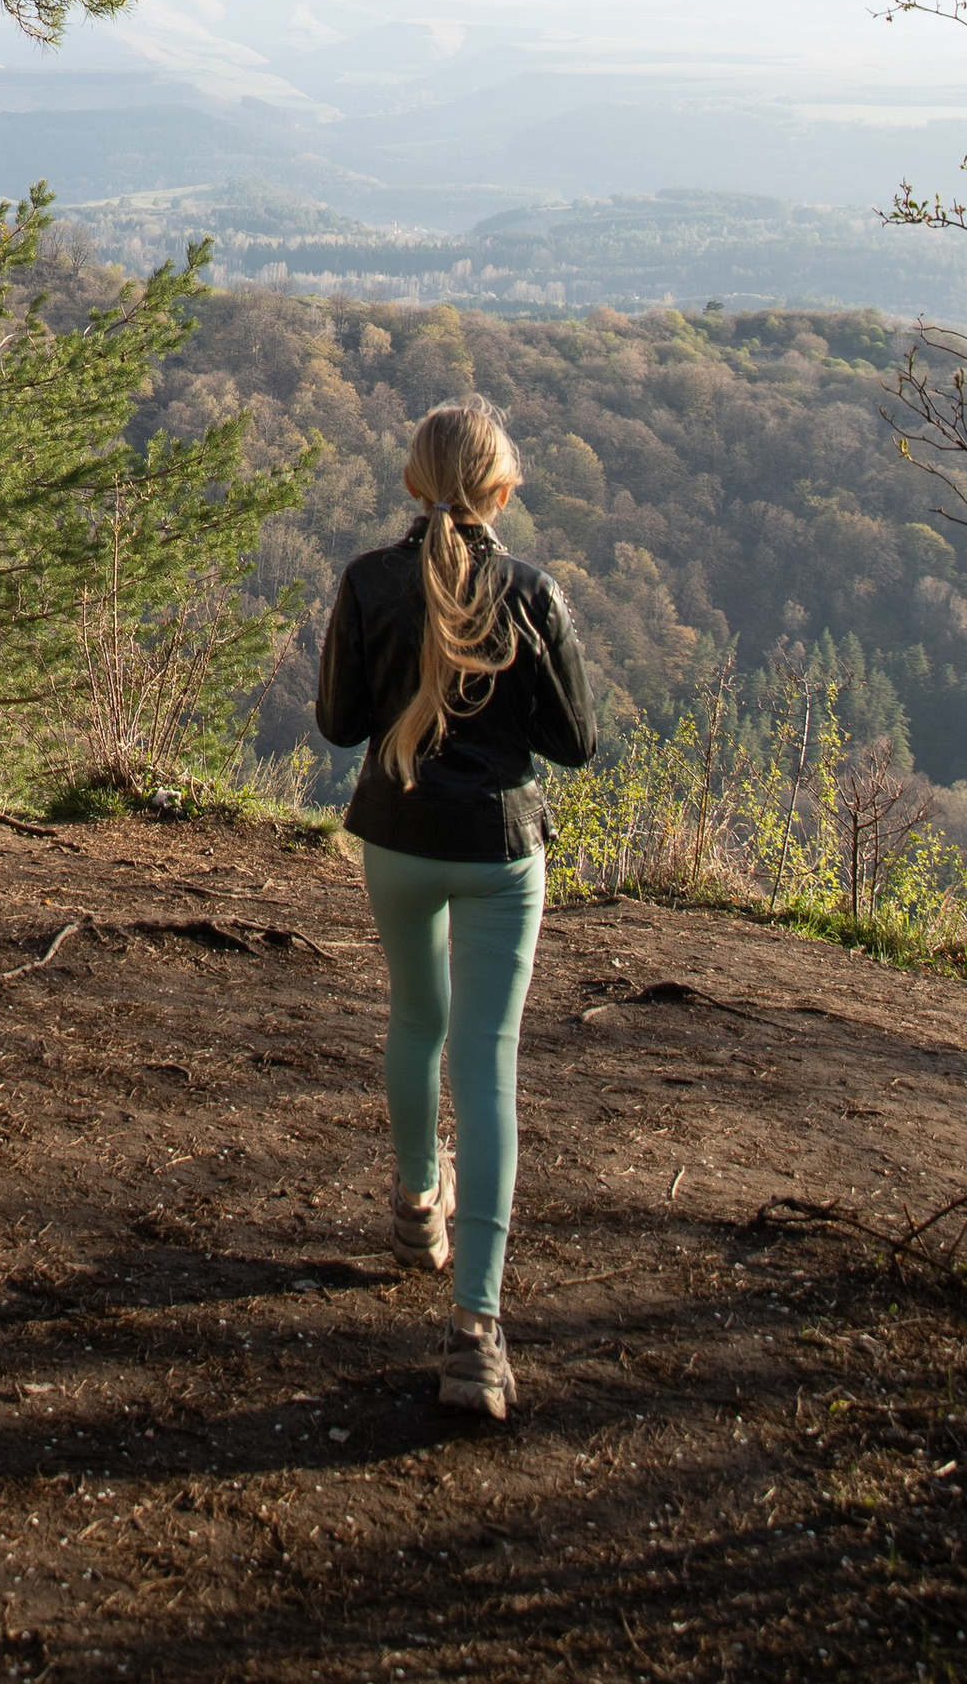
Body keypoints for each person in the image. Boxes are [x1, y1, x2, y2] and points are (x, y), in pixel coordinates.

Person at [314, 398, 595, 1421]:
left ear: (411, 478)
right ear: (500, 485)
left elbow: (341, 723)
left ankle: (408, 1204)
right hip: (498, 851)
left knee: (413, 1023)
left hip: (394, 836)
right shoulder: (530, 591)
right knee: (485, 1060)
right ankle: (476, 1328)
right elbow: (573, 745)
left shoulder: (366, 583)